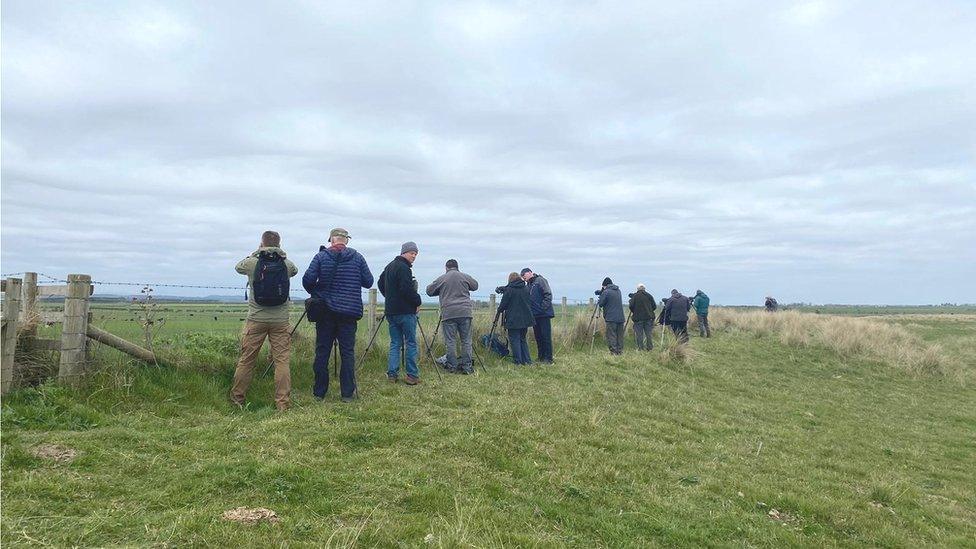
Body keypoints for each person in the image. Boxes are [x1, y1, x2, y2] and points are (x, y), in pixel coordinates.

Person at [302, 228, 373, 402]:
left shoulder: (321, 257)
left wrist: (318, 292)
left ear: (331, 240)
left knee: (322, 352)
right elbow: (368, 281)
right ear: (346, 241)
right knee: (347, 353)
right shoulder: (357, 257)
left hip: (325, 312)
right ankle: (347, 394)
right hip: (349, 313)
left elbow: (307, 280)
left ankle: (319, 393)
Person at [231, 230, 298, 411]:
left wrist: (256, 252)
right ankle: (282, 403)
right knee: (282, 361)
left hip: (256, 319)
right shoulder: (286, 264)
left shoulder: (252, 263)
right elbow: (295, 271)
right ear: (279, 244)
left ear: (261, 243)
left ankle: (238, 399)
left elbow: (238, 266)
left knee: (247, 360)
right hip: (280, 321)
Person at [378, 242, 423, 385]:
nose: (414, 256)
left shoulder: (390, 266)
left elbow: (380, 282)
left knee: (395, 343)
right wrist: (417, 301)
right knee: (410, 343)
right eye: (412, 253)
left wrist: (390, 297)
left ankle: (392, 374)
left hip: (391, 311)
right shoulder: (404, 268)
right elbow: (406, 289)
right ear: (404, 252)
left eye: (415, 254)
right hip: (406, 312)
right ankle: (412, 376)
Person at [426, 259, 479, 374]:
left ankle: (452, 367)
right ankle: (467, 367)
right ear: (457, 267)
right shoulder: (464, 276)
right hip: (465, 312)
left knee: (450, 341)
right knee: (466, 341)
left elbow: (429, 291)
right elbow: (475, 286)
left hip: (448, 313)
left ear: (446, 268)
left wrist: (440, 291)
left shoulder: (442, 278)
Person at [496, 272, 533, 365]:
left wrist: (499, 309)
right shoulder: (526, 288)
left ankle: (518, 361)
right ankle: (527, 360)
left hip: (513, 319)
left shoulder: (509, 290)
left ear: (510, 280)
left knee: (514, 340)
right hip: (525, 319)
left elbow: (503, 305)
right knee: (522, 339)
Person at [521, 268, 554, 364]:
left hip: (544, 315)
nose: (524, 279)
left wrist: (542, 308)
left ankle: (548, 358)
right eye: (523, 277)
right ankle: (541, 357)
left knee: (546, 337)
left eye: (524, 276)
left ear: (530, 273)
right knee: (538, 337)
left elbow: (548, 295)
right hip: (535, 315)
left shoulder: (540, 280)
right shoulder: (529, 285)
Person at [598, 277, 625, 355]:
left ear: (604, 285)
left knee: (611, 335)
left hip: (611, 317)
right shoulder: (618, 291)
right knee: (619, 335)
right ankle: (619, 351)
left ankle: (613, 351)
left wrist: (602, 294)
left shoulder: (606, 292)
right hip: (620, 317)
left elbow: (601, 304)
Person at [628, 284, 656, 351]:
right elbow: (654, 306)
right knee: (648, 334)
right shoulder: (649, 296)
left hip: (638, 318)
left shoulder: (635, 296)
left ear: (637, 289)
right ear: (644, 289)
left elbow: (631, 306)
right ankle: (650, 348)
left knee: (639, 334)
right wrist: (649, 311)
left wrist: (634, 311)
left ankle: (640, 348)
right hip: (648, 318)